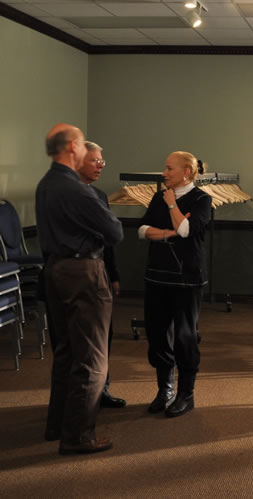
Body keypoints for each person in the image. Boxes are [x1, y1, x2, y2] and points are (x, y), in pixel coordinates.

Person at [38, 123, 123, 454]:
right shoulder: (77, 190)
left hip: (55, 270)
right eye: (85, 145)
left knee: (66, 353)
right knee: (92, 359)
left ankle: (57, 424)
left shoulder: (47, 184)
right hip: (83, 273)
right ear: (73, 147)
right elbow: (114, 232)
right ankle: (77, 436)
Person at [138, 151, 212, 418]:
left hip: (187, 280)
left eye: (169, 169)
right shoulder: (157, 197)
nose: (164, 173)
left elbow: (186, 231)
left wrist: (171, 206)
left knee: (185, 337)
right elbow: (142, 230)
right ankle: (165, 389)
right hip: (156, 277)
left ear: (186, 172)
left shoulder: (202, 199)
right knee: (157, 335)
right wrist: (167, 232)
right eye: (165, 168)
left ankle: (185, 394)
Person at [76, 140, 126, 409]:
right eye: (95, 161)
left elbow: (109, 242)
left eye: (102, 162)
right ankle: (79, 397)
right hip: (74, 274)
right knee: (78, 339)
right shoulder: (64, 194)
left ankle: (102, 388)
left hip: (100, 272)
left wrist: (114, 275)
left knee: (104, 336)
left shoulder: (99, 195)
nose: (100, 166)